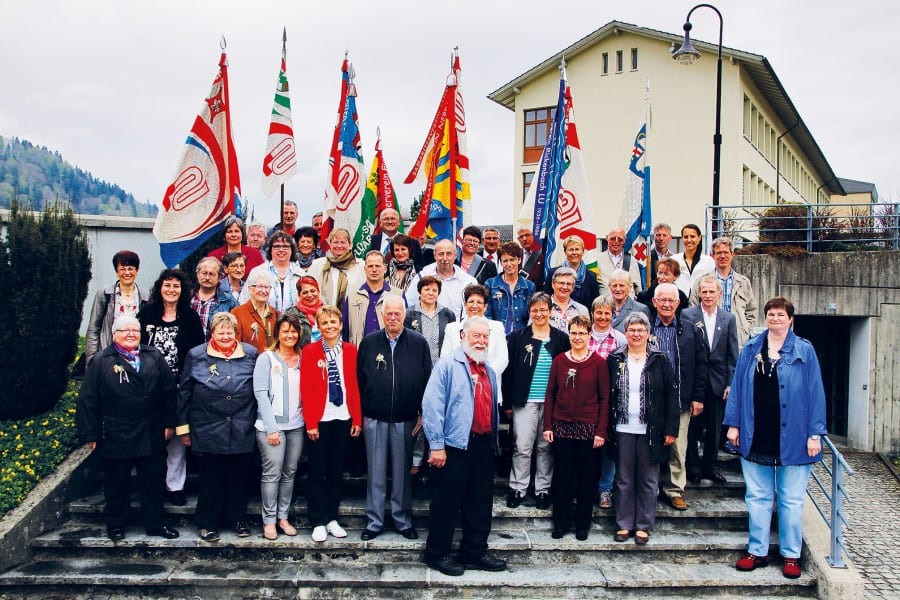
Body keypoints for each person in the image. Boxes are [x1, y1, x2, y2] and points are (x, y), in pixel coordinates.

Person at [724, 296, 826, 579]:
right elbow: (738, 387)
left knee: (791, 499)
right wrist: (733, 424)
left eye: (781, 314)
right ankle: (757, 551)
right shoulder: (752, 348)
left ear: (790, 319)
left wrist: (815, 433)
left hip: (794, 436)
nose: (776, 319)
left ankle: (791, 555)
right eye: (771, 314)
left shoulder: (805, 351)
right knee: (757, 496)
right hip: (757, 433)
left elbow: (816, 392)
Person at [76, 315, 180, 542]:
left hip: (152, 429)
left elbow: (169, 391)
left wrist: (170, 423)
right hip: (116, 431)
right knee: (117, 481)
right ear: (115, 335)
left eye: (135, 330)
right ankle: (116, 524)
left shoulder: (153, 356)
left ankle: (155, 523)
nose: (131, 334)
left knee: (153, 480)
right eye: (125, 330)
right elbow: (87, 400)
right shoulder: (102, 360)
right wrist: (90, 433)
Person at [422, 317, 507, 576]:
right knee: (447, 502)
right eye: (476, 336)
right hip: (454, 445)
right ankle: (437, 553)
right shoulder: (447, 365)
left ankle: (474, 552)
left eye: (485, 337)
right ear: (463, 336)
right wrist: (436, 445)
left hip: (482, 445)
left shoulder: (489, 369)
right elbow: (431, 406)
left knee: (480, 502)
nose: (481, 341)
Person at [176, 312, 258, 542]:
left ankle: (238, 519)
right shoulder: (197, 355)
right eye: (220, 331)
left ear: (236, 332)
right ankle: (208, 523)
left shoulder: (250, 353)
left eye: (229, 331)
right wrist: (183, 428)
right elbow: (184, 392)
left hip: (242, 425)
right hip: (208, 427)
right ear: (212, 332)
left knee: (239, 477)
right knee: (210, 478)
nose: (225, 335)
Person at [356, 296, 433, 540]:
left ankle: (402, 520)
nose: (392, 317)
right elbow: (360, 381)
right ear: (382, 315)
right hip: (375, 418)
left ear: (404, 315)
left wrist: (422, 413)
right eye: (388, 313)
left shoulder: (418, 343)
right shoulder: (369, 343)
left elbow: (427, 380)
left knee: (402, 474)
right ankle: (374, 521)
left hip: (405, 418)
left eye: (397, 314)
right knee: (376, 473)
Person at [606, 312, 680, 545]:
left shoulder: (660, 360)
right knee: (623, 478)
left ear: (649, 334)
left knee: (649, 479)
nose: (636, 334)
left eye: (641, 330)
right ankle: (624, 523)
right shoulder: (615, 358)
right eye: (631, 330)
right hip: (622, 427)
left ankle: (643, 526)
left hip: (651, 429)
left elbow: (672, 395)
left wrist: (670, 429)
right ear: (625, 333)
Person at [137, 268, 206, 507]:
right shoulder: (146, 314)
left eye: (176, 286)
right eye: (167, 285)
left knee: (178, 437)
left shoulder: (190, 317)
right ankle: (153, 485)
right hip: (150, 387)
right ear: (159, 288)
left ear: (182, 290)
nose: (171, 290)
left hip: (180, 385)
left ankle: (175, 485)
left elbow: (198, 352)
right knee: (155, 437)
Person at [542, 315, 610, 541]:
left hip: (589, 429)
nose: (577, 337)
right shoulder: (560, 360)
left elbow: (604, 399)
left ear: (589, 336)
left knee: (587, 478)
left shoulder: (599, 363)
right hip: (562, 427)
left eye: (582, 333)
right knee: (562, 477)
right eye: (574, 333)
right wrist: (548, 424)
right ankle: (560, 523)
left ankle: (582, 524)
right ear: (569, 335)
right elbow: (550, 393)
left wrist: (601, 431)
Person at [300, 305, 363, 543]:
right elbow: (306, 388)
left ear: (340, 325)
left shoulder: (349, 350)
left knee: (336, 471)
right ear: (318, 326)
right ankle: (317, 520)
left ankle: (331, 518)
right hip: (321, 419)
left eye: (333, 322)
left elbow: (354, 386)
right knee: (317, 471)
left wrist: (357, 417)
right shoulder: (310, 351)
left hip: (343, 417)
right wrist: (311, 422)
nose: (329, 327)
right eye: (324, 323)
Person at [503, 292, 570, 509]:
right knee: (522, 446)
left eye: (543, 309)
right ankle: (518, 487)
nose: (539, 314)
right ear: (529, 313)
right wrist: (508, 404)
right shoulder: (518, 337)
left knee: (545, 447)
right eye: (535, 310)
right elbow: (508, 371)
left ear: (550, 312)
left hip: (552, 403)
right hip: (525, 401)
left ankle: (543, 489)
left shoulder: (561, 339)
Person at [651, 283, 708, 511]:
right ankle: (651, 488)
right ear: (654, 302)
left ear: (678, 303)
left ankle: (674, 489)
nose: (666, 304)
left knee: (678, 447)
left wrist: (698, 397)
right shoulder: (646, 328)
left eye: (671, 300)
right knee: (651, 447)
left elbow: (702, 365)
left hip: (680, 399)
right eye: (662, 300)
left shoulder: (690, 330)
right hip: (651, 399)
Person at [253, 314, 309, 540]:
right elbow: (260, 393)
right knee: (272, 473)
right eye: (285, 330)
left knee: (289, 472)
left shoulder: (303, 358)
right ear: (277, 333)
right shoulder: (267, 358)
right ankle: (268, 521)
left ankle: (282, 517)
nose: (290, 335)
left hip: (296, 425)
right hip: (271, 426)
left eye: (294, 331)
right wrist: (271, 427)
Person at [683, 275, 739, 484]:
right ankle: (693, 468)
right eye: (704, 291)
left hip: (718, 381)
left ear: (719, 294)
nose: (707, 295)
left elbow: (733, 355)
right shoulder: (688, 315)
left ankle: (710, 467)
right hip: (694, 381)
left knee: (715, 430)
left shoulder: (728, 319)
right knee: (692, 429)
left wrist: (731, 383)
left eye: (711, 292)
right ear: (699, 293)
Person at [587, 295, 627, 509]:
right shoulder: (584, 335)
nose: (602, 317)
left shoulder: (620, 339)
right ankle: (584, 486)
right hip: (586, 398)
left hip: (611, 398)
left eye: (607, 313)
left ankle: (605, 489)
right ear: (592, 314)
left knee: (608, 445)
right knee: (586, 446)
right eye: (599, 312)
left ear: (614, 314)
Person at [440, 285, 509, 401]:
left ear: (486, 306)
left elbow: (502, 359)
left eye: (479, 302)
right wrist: (466, 377)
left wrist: (482, 376)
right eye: (471, 301)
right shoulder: (452, 328)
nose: (475, 306)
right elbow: (445, 358)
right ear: (465, 305)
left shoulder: (497, 328)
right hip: (459, 390)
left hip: (488, 389)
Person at [690, 237, 757, 347]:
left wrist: (745, 328)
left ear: (732, 254)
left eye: (726, 252)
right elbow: (693, 308)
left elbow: (751, 311)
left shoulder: (743, 282)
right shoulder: (701, 281)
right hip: (710, 338)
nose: (722, 256)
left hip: (737, 338)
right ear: (712, 256)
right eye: (718, 253)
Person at [85, 250, 148, 365]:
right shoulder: (105, 293)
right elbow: (94, 328)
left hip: (135, 356)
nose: (127, 272)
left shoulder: (145, 297)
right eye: (122, 269)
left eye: (130, 268)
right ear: (116, 271)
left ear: (137, 271)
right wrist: (91, 360)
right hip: (108, 354)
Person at [405, 239, 477, 320]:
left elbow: (472, 312)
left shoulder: (468, 282)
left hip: (456, 330)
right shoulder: (422, 276)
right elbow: (409, 303)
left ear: (455, 255)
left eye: (449, 254)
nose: (445, 258)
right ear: (434, 255)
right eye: (441, 254)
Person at [342, 250, 400, 346]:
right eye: (370, 266)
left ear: (385, 268)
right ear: (364, 269)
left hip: (390, 354)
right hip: (361, 353)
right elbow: (345, 331)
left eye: (377, 266)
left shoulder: (397, 295)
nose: (374, 270)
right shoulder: (352, 297)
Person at [242, 231, 305, 313]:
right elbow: (244, 300)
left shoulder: (301, 274)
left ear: (292, 250)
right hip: (264, 323)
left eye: (285, 246)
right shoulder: (258, 272)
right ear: (270, 249)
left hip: (295, 323)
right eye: (277, 246)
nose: (281, 250)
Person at [485, 241, 535, 335]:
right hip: (497, 336)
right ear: (500, 262)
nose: (509, 264)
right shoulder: (490, 284)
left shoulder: (529, 286)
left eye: (512, 260)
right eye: (505, 261)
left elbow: (531, 316)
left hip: (521, 337)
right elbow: (487, 314)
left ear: (519, 260)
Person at [307, 228, 365, 308]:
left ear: (350, 245)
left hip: (352, 315)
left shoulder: (360, 265)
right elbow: (307, 288)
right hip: (324, 315)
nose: (339, 246)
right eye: (335, 242)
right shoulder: (318, 264)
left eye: (343, 242)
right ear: (330, 244)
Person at [543, 235, 601, 308]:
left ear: (583, 251)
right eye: (570, 249)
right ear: (565, 252)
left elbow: (595, 303)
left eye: (577, 249)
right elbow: (546, 299)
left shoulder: (591, 276)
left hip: (584, 317)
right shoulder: (553, 273)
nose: (574, 252)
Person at [232, 271, 279, 354]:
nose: (264, 291)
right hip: (248, 364)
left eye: (267, 287)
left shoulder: (276, 314)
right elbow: (235, 345)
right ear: (250, 289)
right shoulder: (237, 313)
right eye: (260, 287)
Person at [191, 257, 238, 336]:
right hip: (189, 347)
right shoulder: (186, 298)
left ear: (220, 277)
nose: (207, 278)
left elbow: (236, 330)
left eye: (212, 274)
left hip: (216, 347)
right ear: (198, 274)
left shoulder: (229, 301)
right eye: (204, 273)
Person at [672, 224, 714, 296]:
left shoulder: (708, 261)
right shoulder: (674, 260)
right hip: (679, 302)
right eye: (685, 237)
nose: (689, 240)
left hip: (700, 301)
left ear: (699, 238)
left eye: (692, 236)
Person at [597, 227, 642, 295]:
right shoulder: (597, 260)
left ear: (624, 240)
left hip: (627, 304)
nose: (616, 242)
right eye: (612, 239)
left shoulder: (632, 260)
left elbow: (638, 287)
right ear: (607, 238)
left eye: (620, 239)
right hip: (606, 304)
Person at [545, 266, 589, 332]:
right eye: (561, 283)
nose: (565, 287)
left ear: (573, 287)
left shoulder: (582, 310)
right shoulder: (541, 308)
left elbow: (586, 337)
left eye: (568, 284)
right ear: (553, 284)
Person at [284, 275, 321, 343]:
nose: (309, 295)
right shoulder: (291, 314)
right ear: (299, 295)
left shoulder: (328, 311)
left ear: (318, 291)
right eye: (305, 292)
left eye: (313, 291)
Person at [649, 223, 674, 288]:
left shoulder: (674, 258)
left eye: (664, 235)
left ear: (670, 238)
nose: (661, 238)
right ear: (653, 237)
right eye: (658, 235)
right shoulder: (647, 258)